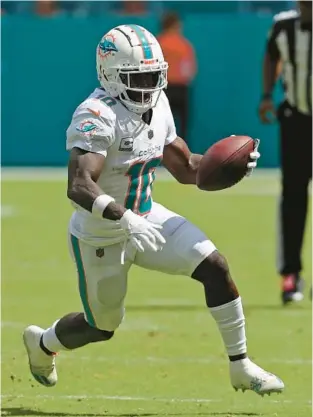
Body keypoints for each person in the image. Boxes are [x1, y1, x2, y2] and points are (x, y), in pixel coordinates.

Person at [23, 24, 284, 396]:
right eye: (137, 76)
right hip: (102, 233)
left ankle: (240, 365)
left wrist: (228, 165)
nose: (147, 84)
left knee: (215, 266)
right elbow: (79, 185)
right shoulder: (96, 114)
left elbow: (186, 168)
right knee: (102, 326)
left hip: (147, 216)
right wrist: (123, 217)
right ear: (110, 76)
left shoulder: (158, 103)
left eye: (153, 74)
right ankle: (44, 343)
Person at [259, 1, 312, 304]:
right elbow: (271, 56)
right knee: (293, 197)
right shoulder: (284, 26)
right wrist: (267, 95)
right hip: (296, 121)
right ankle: (290, 274)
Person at [158, 12, 196, 142]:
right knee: (182, 126)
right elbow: (190, 70)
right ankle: (181, 155)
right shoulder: (184, 44)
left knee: (160, 124)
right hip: (181, 88)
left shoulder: (158, 43)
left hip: (162, 90)